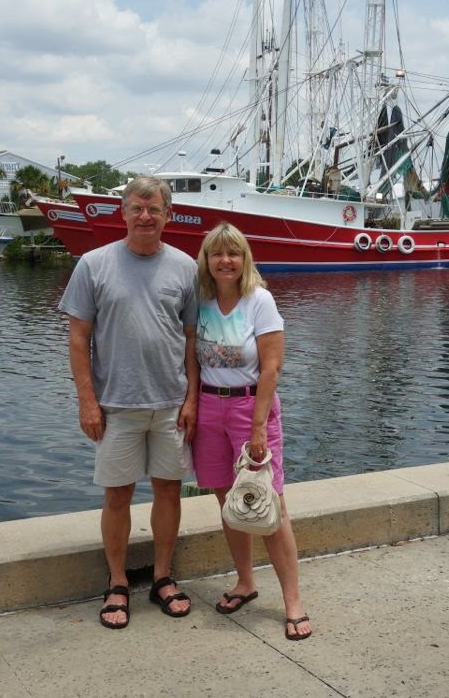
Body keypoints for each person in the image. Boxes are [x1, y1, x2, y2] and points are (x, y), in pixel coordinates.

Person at [58, 175, 199, 629]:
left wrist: (192, 399)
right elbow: (78, 339)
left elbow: (193, 340)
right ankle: (117, 583)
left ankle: (162, 577)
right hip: (116, 405)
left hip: (170, 404)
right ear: (123, 211)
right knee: (116, 495)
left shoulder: (185, 267)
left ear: (167, 215)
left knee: (168, 490)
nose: (145, 216)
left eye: (154, 209)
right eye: (137, 207)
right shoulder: (93, 265)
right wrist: (87, 402)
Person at [192, 222, 312, 640]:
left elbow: (272, 367)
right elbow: (191, 359)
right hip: (208, 406)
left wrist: (259, 427)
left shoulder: (259, 301)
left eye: (234, 253)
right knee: (229, 502)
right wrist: (192, 405)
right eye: (217, 253)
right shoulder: (201, 302)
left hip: (249, 408)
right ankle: (245, 582)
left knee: (270, 507)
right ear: (206, 260)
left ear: (244, 259)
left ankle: (293, 601)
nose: (226, 260)